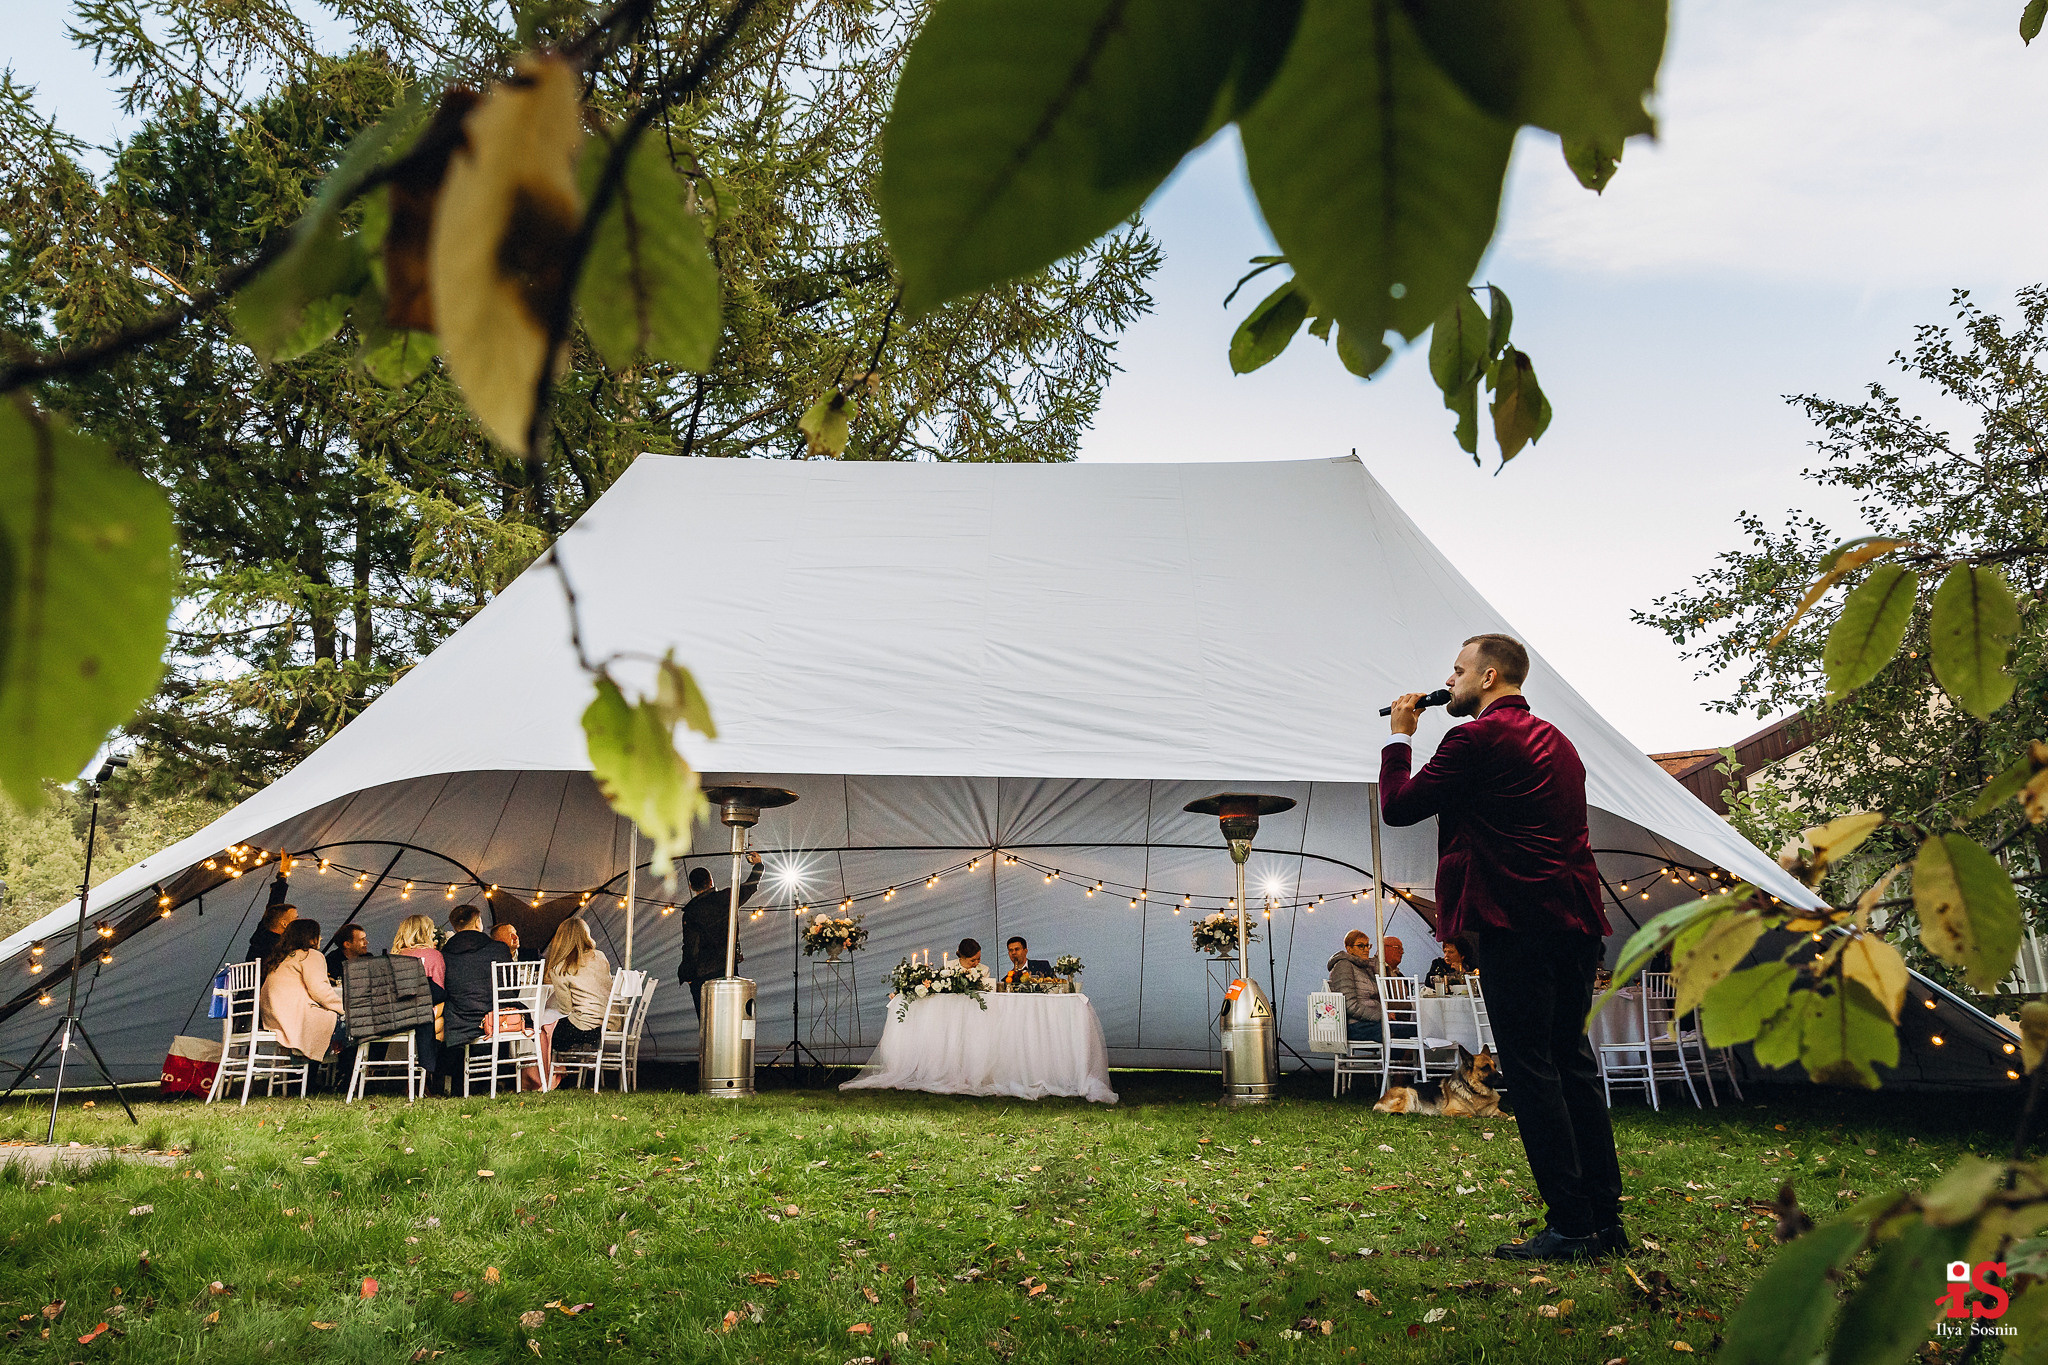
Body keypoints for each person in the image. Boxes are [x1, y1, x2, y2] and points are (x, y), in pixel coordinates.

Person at [1381, 633, 1624, 1263]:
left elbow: (1401, 808)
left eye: (1457, 671)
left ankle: (1570, 1228)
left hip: (1516, 919)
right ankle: (1606, 1223)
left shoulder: (1471, 739)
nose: (1450, 680)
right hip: (1576, 917)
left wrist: (1401, 737)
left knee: (1532, 1069)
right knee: (1571, 1062)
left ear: (1489, 677)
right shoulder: (1561, 744)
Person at [678, 852, 762, 1017]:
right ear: (711, 881)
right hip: (726, 967)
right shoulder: (726, 898)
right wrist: (758, 866)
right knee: (729, 1018)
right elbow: (750, 886)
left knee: (707, 1021)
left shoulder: (690, 912)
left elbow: (690, 946)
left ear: (691, 887)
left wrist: (688, 975)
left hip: (701, 973)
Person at [439, 903, 512, 1088]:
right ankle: (506, 1077)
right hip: (495, 1018)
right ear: (478, 922)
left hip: (459, 1021)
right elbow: (510, 991)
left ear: (455, 927)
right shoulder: (499, 949)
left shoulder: (444, 954)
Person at [260, 918, 351, 1061]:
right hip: (299, 1020)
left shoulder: (281, 958)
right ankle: (349, 1078)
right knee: (357, 1025)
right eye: (318, 934)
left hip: (276, 1019)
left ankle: (309, 1079)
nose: (320, 938)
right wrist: (346, 1009)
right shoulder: (309, 955)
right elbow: (321, 992)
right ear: (310, 937)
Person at [544, 917, 614, 1057]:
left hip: (584, 1028)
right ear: (585, 934)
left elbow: (566, 1009)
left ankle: (550, 1075)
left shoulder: (559, 967)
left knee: (542, 1031)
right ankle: (563, 1071)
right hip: (609, 1024)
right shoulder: (600, 956)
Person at [391, 914, 447, 1075]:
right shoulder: (434, 955)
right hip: (422, 1016)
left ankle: (401, 1070)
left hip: (396, 1015)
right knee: (442, 1018)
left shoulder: (395, 955)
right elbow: (438, 991)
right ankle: (429, 1075)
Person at [1325, 930, 1385, 1043]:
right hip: (1355, 1025)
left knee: (1408, 1030)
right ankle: (1393, 1059)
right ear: (1349, 948)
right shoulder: (1343, 966)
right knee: (1407, 1031)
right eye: (1361, 946)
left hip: (1370, 1022)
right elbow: (1349, 1005)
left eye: (1368, 945)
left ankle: (1394, 1059)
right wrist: (1381, 1015)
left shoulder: (1363, 967)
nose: (1366, 949)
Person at [246, 901, 297, 973]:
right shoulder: (280, 946)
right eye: (295, 919)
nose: (299, 922)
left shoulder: (260, 939)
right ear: (284, 924)